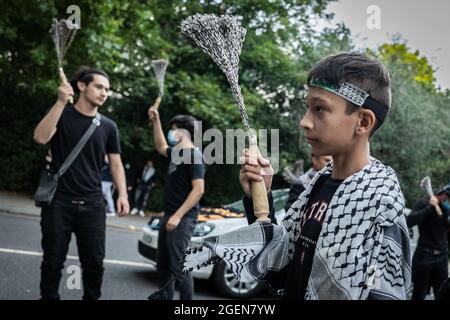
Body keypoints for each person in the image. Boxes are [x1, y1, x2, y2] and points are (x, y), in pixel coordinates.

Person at [184, 52, 411, 300]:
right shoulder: (318, 185)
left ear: (364, 122)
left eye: (320, 109)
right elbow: (282, 268)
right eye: (307, 108)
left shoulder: (382, 206)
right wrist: (260, 197)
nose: (305, 122)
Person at [33, 66, 130, 300]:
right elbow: (40, 137)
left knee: (95, 264)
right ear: (82, 86)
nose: (104, 93)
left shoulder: (108, 126)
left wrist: (123, 195)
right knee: (52, 262)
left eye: (107, 89)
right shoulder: (61, 114)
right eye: (99, 87)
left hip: (93, 205)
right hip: (59, 202)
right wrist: (59, 103)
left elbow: (116, 164)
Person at [148, 101, 205, 300]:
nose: (171, 135)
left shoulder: (194, 156)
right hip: (169, 216)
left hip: (183, 218)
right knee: (163, 266)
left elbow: (198, 190)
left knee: (179, 267)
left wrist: (178, 216)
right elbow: (161, 146)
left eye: (173, 131)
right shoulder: (177, 153)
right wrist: (156, 121)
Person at [407, 183, 450, 300]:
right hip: (423, 256)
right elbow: (409, 221)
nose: (448, 201)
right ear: (442, 195)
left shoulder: (447, 211)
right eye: (447, 197)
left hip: (442, 257)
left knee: (442, 293)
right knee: (419, 294)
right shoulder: (424, 203)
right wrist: (430, 207)